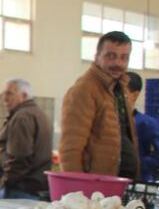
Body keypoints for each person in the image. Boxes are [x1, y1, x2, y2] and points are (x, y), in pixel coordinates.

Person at [58, 30, 139, 179]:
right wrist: (77, 191)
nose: (118, 63)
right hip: (95, 189)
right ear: (96, 57)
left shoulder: (121, 89)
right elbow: (70, 148)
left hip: (121, 184)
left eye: (124, 58)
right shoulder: (84, 90)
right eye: (111, 56)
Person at [0, 78, 52, 199]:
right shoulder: (38, 113)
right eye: (3, 93)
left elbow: (20, 156)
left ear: (24, 95)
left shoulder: (22, 117)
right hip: (33, 189)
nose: (4, 98)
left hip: (20, 189)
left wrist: (6, 182)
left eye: (9, 93)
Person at [126, 71, 159, 181]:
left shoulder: (147, 123)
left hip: (138, 183)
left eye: (121, 92)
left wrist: (131, 164)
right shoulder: (108, 122)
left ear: (134, 94)